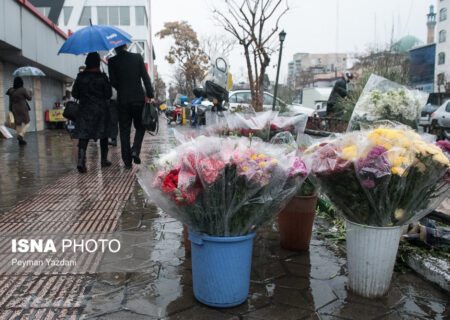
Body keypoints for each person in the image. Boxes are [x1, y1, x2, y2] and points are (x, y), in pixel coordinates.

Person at [108, 44, 154, 169]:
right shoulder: (137, 57)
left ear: (115, 49)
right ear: (126, 46)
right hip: (138, 98)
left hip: (122, 100)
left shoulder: (111, 61)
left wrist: (122, 89)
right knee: (140, 126)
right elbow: (145, 78)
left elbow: (113, 82)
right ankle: (135, 150)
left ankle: (127, 161)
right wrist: (150, 94)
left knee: (124, 130)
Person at [72, 52, 112, 173]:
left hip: (85, 110)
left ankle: (81, 160)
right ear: (98, 63)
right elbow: (108, 94)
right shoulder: (102, 77)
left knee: (83, 135)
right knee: (103, 134)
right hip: (100, 110)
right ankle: (104, 160)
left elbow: (74, 94)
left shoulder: (80, 77)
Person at [6, 77, 32, 145]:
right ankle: (21, 135)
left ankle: (21, 141)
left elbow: (10, 101)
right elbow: (29, 98)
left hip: (14, 109)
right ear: (21, 82)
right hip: (23, 108)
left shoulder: (11, 91)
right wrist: (31, 92)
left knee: (18, 124)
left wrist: (10, 110)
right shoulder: (23, 90)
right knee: (28, 123)